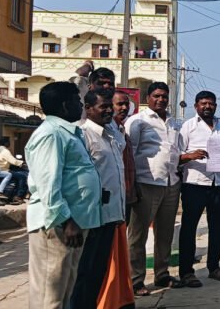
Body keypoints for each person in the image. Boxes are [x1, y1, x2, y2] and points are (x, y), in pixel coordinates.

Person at [25, 82, 101, 309]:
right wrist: (66, 220)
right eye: (78, 101)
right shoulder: (51, 134)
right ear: (66, 105)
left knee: (65, 290)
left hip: (73, 223)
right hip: (57, 225)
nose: (81, 105)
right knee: (50, 295)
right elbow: (48, 184)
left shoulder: (68, 132)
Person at [71, 89, 127, 308]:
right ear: (88, 108)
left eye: (109, 106)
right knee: (83, 272)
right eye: (102, 107)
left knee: (98, 271)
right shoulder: (83, 134)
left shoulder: (112, 136)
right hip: (91, 215)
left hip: (111, 214)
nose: (108, 111)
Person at [127, 82, 184, 295]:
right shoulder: (137, 121)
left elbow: (176, 151)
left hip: (170, 182)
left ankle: (162, 274)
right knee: (138, 235)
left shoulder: (173, 122)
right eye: (157, 96)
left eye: (164, 96)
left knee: (165, 233)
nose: (161, 100)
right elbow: (129, 154)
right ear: (148, 97)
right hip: (146, 182)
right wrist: (132, 186)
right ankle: (136, 280)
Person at [178, 91, 220, 286]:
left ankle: (214, 267)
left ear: (216, 106)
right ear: (196, 106)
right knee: (189, 227)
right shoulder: (188, 126)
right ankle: (186, 272)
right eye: (203, 103)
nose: (207, 106)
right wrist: (191, 155)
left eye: (211, 103)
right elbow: (179, 153)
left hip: (217, 182)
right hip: (195, 183)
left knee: (216, 226)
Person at [111, 90, 137, 222]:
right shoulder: (106, 130)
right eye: (120, 104)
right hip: (111, 195)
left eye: (127, 104)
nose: (124, 108)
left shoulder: (122, 129)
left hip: (126, 192)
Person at [0, 137, 29, 203]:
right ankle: (18, 196)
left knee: (17, 175)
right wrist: (22, 162)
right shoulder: (5, 151)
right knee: (22, 177)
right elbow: (13, 161)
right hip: (4, 169)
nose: (9, 143)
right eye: (9, 142)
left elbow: (5, 160)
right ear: (6, 143)